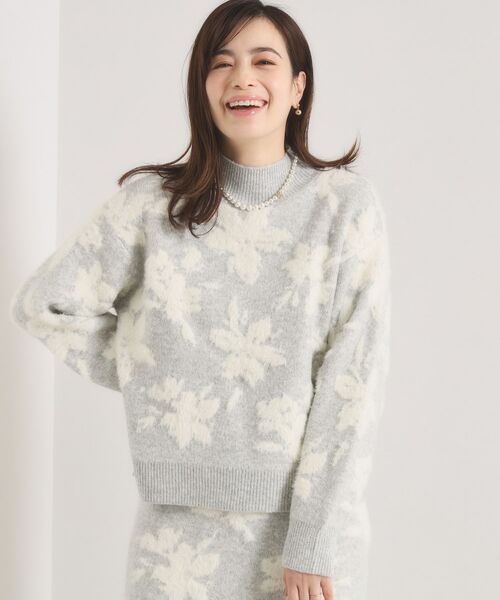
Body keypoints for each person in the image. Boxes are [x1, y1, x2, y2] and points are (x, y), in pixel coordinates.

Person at [9, 1, 391, 599]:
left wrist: (314, 539)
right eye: (221, 63)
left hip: (307, 536)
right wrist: (151, 367)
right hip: (174, 545)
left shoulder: (344, 207)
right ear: (202, 87)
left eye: (263, 61)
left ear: (297, 88)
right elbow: (45, 304)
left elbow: (353, 386)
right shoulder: (150, 205)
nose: (242, 78)